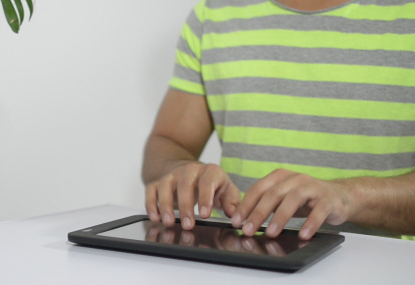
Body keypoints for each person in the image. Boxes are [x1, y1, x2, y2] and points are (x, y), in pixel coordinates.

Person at [142, 0, 415, 240]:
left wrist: (349, 197)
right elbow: (168, 143)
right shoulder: (213, 15)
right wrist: (185, 172)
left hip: (380, 281)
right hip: (239, 268)